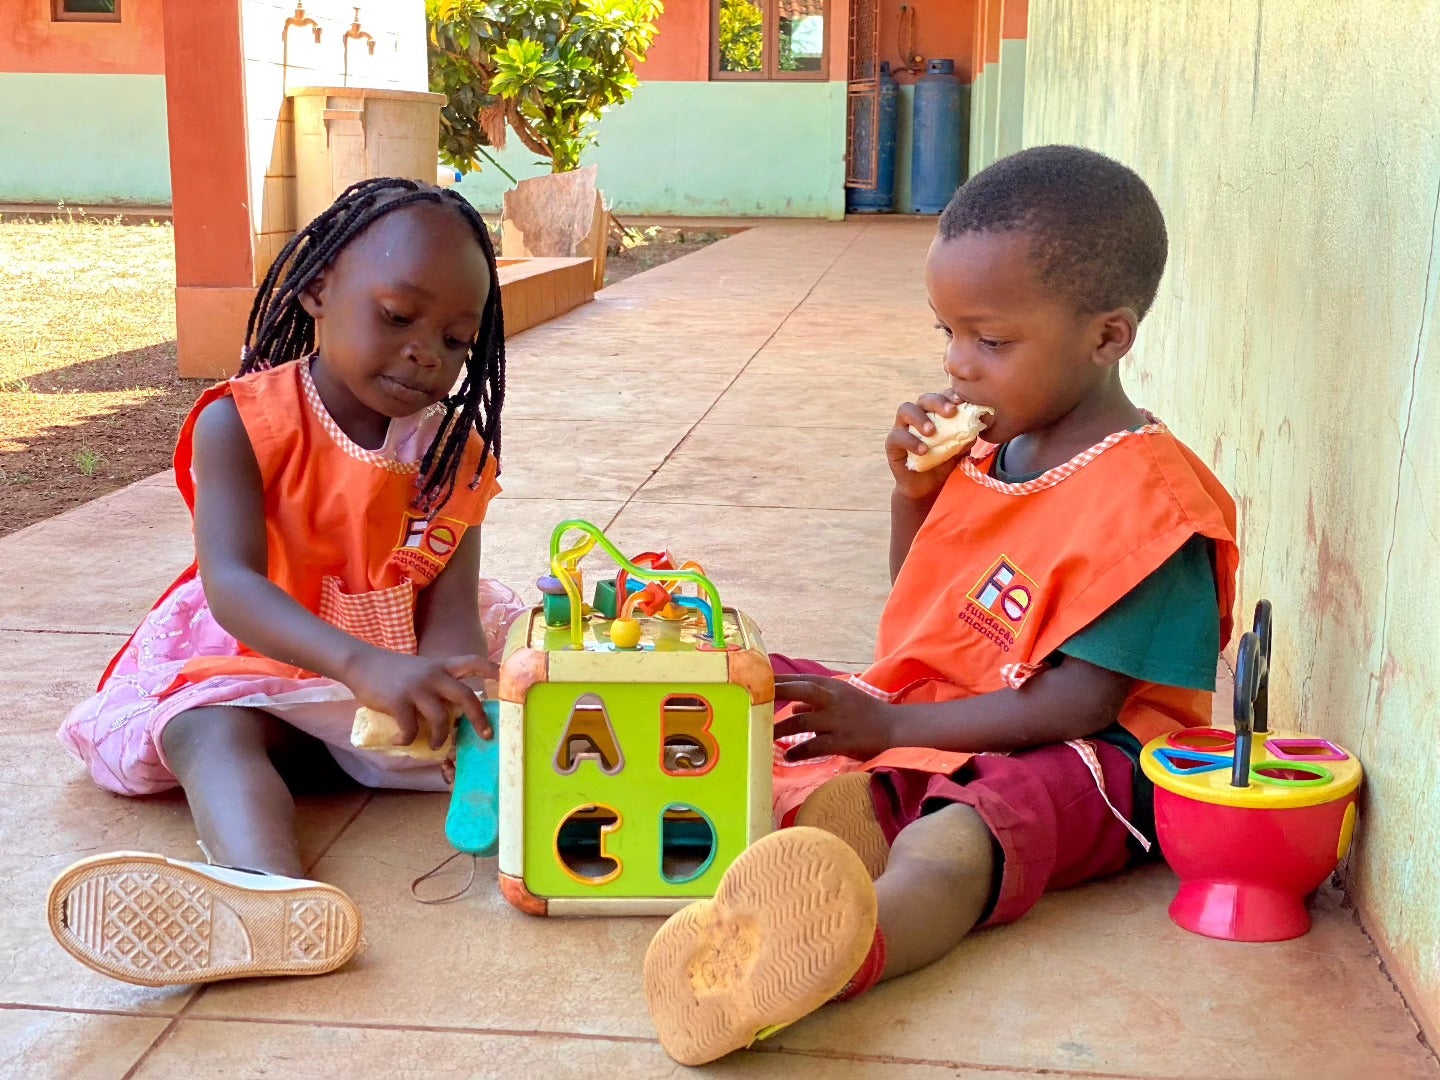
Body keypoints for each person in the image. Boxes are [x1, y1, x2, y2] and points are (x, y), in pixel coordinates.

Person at [642, 145, 1240, 1066]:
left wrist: (885, 726)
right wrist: (912, 496)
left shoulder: (1152, 510)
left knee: (972, 824)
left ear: (1108, 335)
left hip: (1091, 758)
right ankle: (820, 817)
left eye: (991, 341)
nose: (959, 366)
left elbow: (1077, 706)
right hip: (952, 706)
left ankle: (836, 951)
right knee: (761, 684)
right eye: (946, 334)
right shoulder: (1001, 451)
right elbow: (924, 599)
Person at [48, 177, 528, 987]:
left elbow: (451, 618)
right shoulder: (241, 422)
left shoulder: (453, 456)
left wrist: (450, 692)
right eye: (398, 316)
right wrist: (356, 665)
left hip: (390, 694)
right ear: (316, 289)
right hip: (263, 664)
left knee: (534, 724)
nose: (426, 353)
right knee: (207, 729)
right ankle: (267, 902)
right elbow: (232, 584)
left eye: (455, 339)